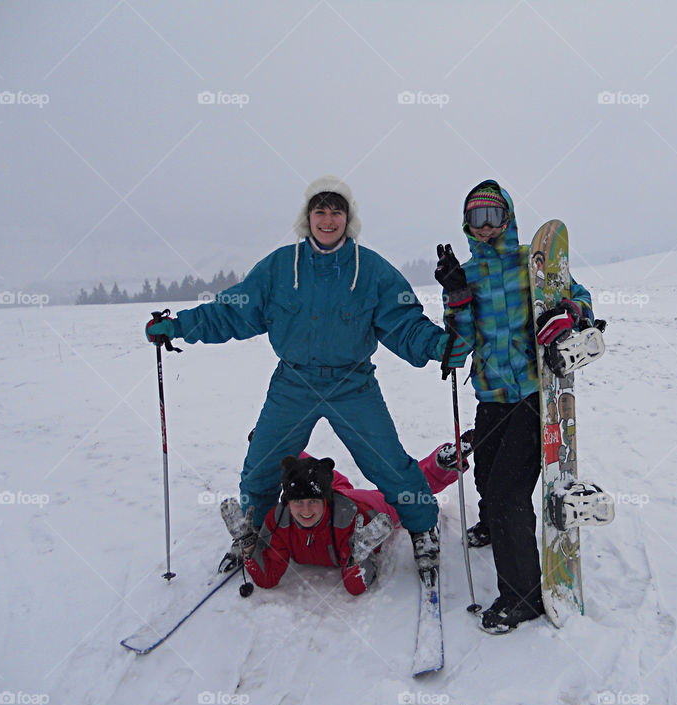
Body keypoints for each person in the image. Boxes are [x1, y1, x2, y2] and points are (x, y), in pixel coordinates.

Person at [144, 176, 470, 581]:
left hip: (353, 384)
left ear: (347, 219)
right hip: (293, 384)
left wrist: (438, 345)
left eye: (337, 211)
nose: (328, 219)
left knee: (388, 465)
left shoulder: (371, 270)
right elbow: (231, 310)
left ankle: (423, 529)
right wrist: (179, 326)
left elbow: (404, 322)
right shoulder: (280, 267)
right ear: (307, 217)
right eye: (320, 210)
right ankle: (255, 530)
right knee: (260, 466)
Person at [434, 179, 602, 633]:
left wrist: (572, 313)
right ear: (467, 225)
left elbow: (579, 298)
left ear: (506, 217)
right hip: (490, 394)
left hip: (533, 396)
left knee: (508, 492)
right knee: (486, 476)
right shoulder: (467, 274)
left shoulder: (535, 262)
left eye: (492, 216)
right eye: (476, 218)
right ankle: (492, 528)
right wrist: (455, 296)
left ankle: (523, 595)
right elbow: (462, 339)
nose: (485, 227)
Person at [219, 434, 475, 594]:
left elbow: (356, 587)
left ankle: (441, 464)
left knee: (403, 497)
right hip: (330, 490)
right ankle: (279, 448)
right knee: (307, 474)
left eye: (312, 503)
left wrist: (358, 556)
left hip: (360, 505)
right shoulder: (280, 520)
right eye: (298, 503)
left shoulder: (353, 523)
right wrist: (248, 544)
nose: (305, 511)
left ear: (324, 500)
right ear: (287, 503)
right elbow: (267, 577)